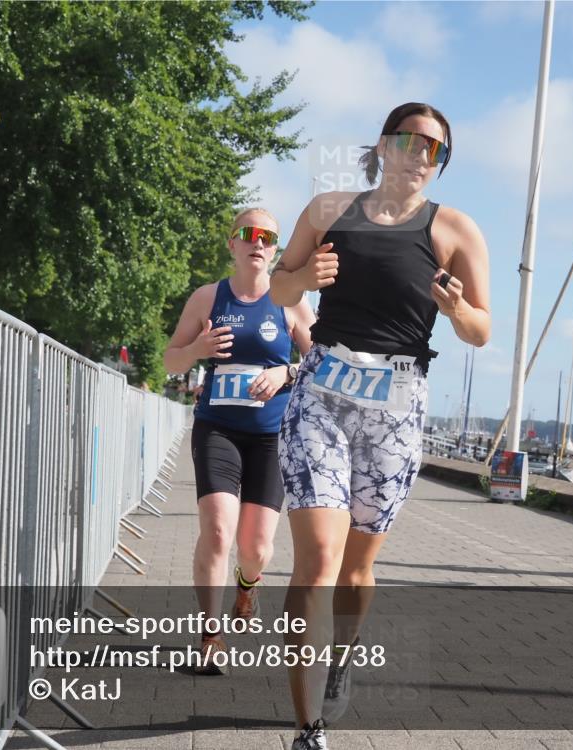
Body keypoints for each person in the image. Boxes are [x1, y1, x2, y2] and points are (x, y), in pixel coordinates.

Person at [269, 102, 491, 750]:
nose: (422, 155)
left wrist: (455, 310)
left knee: (357, 570)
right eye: (412, 140)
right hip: (322, 396)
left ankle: (341, 660)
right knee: (316, 561)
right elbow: (281, 290)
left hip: (395, 410)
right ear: (385, 144)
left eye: (436, 149)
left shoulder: (454, 231)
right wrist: (304, 277)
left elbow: (482, 329)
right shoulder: (328, 210)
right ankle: (307, 728)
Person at [163, 208, 314, 674]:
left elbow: (322, 365)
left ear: (276, 248)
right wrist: (197, 352)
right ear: (232, 243)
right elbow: (171, 361)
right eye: (248, 234)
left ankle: (247, 584)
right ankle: (210, 635)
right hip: (219, 430)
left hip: (271, 437)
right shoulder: (209, 298)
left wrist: (284, 371)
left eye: (268, 236)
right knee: (218, 531)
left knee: (256, 547)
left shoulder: (292, 302)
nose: (258, 242)